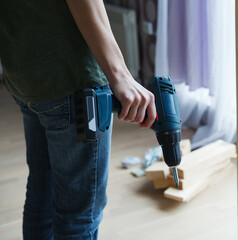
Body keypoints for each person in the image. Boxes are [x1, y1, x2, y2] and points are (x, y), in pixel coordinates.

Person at [0, 0, 156, 239]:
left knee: (42, 187)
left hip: (24, 73)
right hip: (72, 79)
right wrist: (120, 74)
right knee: (78, 216)